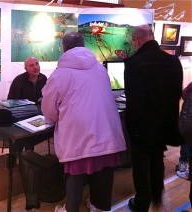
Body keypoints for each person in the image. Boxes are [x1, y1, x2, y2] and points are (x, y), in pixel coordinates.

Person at [41, 31, 126, 212]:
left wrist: (55, 119)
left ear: (63, 48)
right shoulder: (100, 69)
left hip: (77, 133)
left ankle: (71, 209)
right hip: (106, 130)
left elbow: (49, 110)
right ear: (84, 46)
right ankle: (99, 207)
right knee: (104, 171)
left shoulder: (59, 75)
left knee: (75, 173)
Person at [123, 25, 184, 211]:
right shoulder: (173, 61)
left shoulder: (134, 63)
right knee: (157, 157)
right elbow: (176, 94)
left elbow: (135, 102)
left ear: (136, 41)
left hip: (143, 126)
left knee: (141, 164)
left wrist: (130, 127)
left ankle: (142, 202)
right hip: (166, 122)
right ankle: (157, 195)